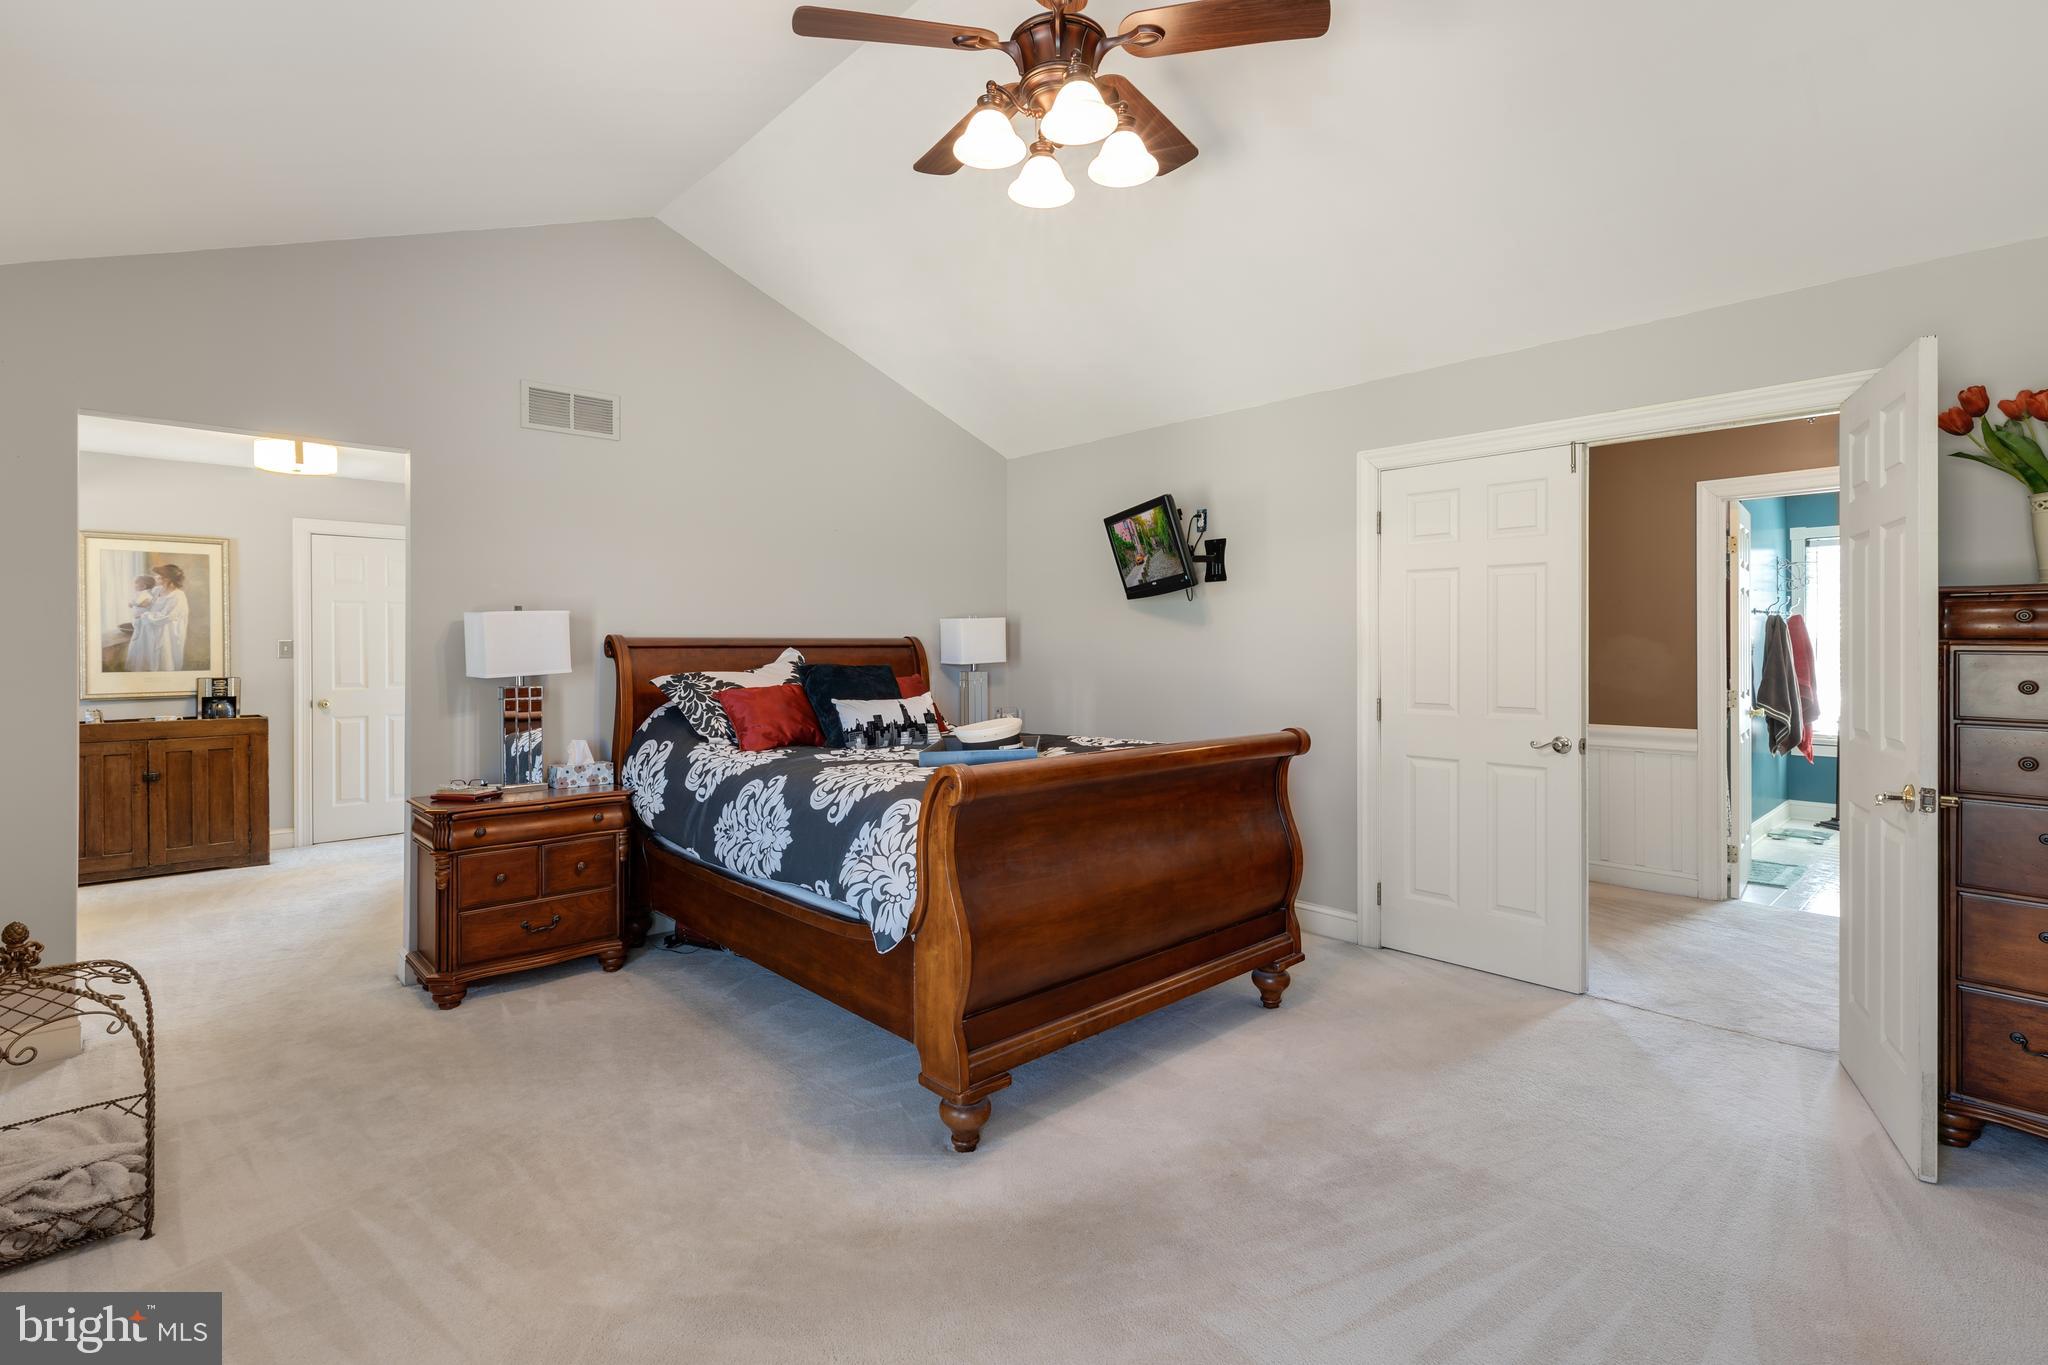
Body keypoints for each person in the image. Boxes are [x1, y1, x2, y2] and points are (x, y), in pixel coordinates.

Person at [140, 564, 190, 671]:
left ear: (167, 579)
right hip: (152, 629)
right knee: (149, 660)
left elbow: (168, 616)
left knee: (164, 659)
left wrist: (146, 615)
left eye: (158, 576)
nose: (155, 578)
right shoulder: (157, 590)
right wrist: (143, 604)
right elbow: (148, 603)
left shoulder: (178, 596)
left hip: (166, 632)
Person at [123, 574, 160, 671]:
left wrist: (134, 603)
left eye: (136, 584)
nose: (134, 585)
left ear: (143, 586)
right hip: (138, 620)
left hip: (143, 621)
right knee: (137, 640)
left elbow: (145, 604)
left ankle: (141, 665)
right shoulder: (140, 594)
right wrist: (132, 603)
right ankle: (137, 664)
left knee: (140, 641)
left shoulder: (146, 594)